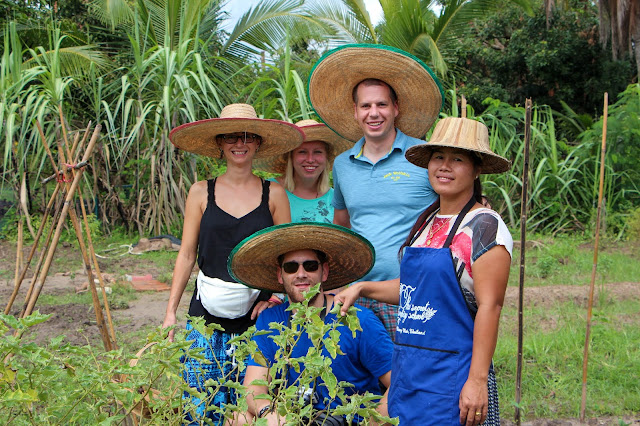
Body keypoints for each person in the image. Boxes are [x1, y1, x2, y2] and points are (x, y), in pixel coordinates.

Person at [335, 117, 513, 425]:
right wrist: (362, 288)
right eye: (438, 157)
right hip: (411, 369)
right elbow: (412, 290)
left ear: (476, 168)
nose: (445, 166)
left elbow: (490, 306)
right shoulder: (427, 221)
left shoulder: (484, 226)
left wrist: (477, 380)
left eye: (457, 159)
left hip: (454, 375)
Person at [162, 103, 304, 425]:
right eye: (230, 137)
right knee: (201, 398)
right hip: (205, 314)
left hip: (257, 314)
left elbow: (286, 255)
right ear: (220, 144)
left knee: (250, 403)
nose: (239, 144)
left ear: (257, 143)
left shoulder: (274, 193)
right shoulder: (201, 192)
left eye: (247, 137)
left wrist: (275, 298)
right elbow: (186, 255)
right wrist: (170, 311)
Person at [308, 44, 444, 336]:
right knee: (361, 379)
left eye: (381, 104)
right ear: (355, 112)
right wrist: (338, 284)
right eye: (366, 106)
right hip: (358, 296)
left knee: (409, 376)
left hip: (412, 292)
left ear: (396, 109)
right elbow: (342, 227)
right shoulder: (343, 164)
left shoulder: (423, 157)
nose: (374, 113)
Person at [227, 222, 393, 425]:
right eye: (291, 267)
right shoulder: (270, 320)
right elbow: (253, 388)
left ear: (324, 272)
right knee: (238, 418)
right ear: (280, 275)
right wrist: (268, 414)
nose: (301, 274)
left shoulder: (358, 320)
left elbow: (399, 385)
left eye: (310, 266)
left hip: (346, 419)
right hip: (292, 418)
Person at [255, 119, 351, 223]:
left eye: (317, 152)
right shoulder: (268, 191)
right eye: (302, 152)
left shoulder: (338, 200)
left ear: (326, 157)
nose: (310, 159)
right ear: (291, 157)